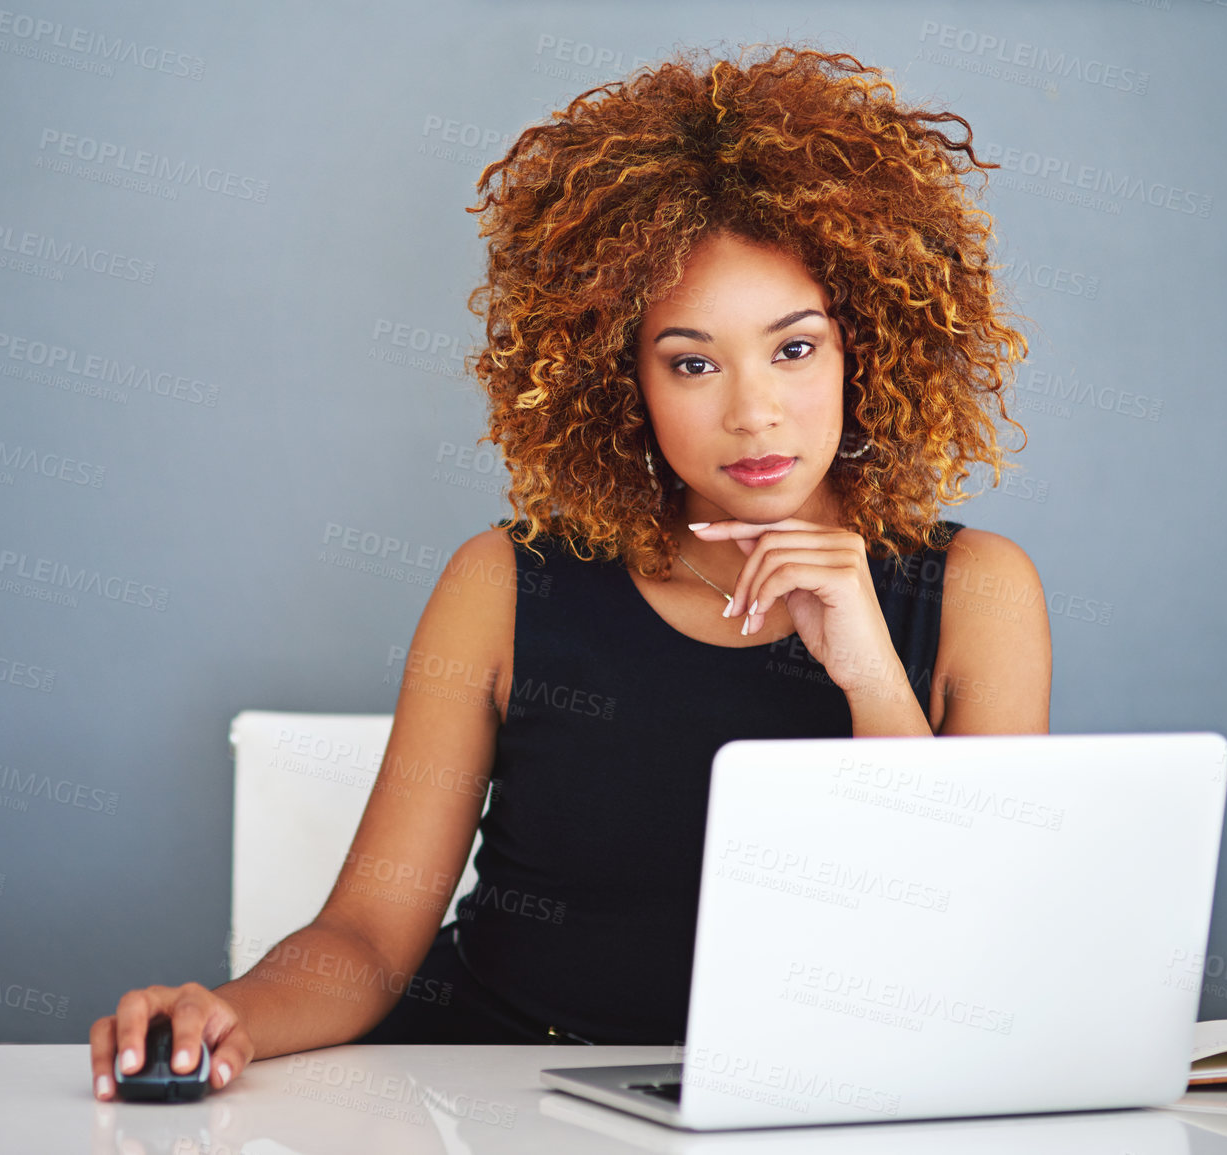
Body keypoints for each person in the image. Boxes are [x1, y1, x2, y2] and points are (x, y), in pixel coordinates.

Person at [90, 44, 1051, 1099]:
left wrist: (872, 677)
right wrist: (225, 1016)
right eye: (692, 361)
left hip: (820, 1106)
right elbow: (366, 939)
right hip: (504, 1093)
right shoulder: (506, 582)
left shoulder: (979, 593)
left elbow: (963, 954)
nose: (753, 412)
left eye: (794, 348)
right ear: (619, 381)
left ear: (862, 344)